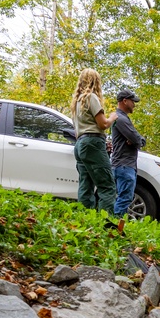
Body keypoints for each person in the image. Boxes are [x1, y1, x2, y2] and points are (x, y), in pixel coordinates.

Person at [71, 68, 118, 218]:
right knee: (107, 185)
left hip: (80, 144)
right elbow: (103, 124)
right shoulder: (91, 97)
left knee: (86, 185)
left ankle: (85, 221)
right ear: (96, 81)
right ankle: (106, 224)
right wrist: (112, 117)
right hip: (92, 143)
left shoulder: (77, 102)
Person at [111, 88, 146, 229]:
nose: (134, 104)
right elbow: (137, 139)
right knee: (125, 198)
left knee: (122, 198)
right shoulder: (121, 119)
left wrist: (138, 140)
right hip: (124, 165)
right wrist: (138, 140)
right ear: (124, 101)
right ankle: (116, 229)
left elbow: (138, 139)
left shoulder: (120, 118)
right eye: (133, 101)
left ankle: (117, 227)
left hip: (123, 165)